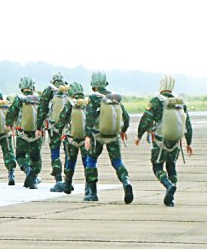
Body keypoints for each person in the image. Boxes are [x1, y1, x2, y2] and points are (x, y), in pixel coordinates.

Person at [135, 74, 194, 207]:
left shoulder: (156, 101)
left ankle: (168, 184)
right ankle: (171, 196)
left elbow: (146, 119)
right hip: (175, 142)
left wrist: (139, 135)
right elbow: (187, 124)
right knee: (171, 166)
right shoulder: (180, 103)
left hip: (159, 141)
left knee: (157, 167)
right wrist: (189, 143)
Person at [83, 72, 133, 203]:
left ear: (93, 84)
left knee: (91, 161)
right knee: (117, 162)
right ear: (105, 83)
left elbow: (89, 118)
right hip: (113, 135)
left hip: (96, 135)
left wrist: (87, 136)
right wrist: (123, 130)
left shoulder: (93, 98)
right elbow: (126, 117)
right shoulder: (114, 98)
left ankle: (92, 193)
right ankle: (126, 181)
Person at [50, 81, 92, 194]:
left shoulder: (70, 103)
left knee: (70, 161)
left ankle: (67, 185)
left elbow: (62, 120)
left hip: (71, 139)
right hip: (86, 140)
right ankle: (88, 188)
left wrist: (57, 131)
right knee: (87, 163)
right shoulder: (88, 103)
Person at [6, 76, 43, 189]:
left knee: (20, 155)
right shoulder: (39, 98)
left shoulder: (20, 99)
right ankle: (34, 178)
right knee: (36, 157)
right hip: (36, 134)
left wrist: (9, 124)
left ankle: (27, 170)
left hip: (22, 134)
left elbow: (11, 113)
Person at [37, 71, 70, 191]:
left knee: (55, 153)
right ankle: (68, 181)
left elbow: (42, 109)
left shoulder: (49, 90)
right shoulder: (69, 89)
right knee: (68, 154)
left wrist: (38, 126)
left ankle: (58, 181)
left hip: (54, 128)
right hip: (67, 128)